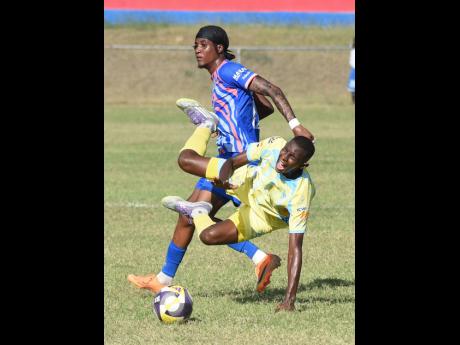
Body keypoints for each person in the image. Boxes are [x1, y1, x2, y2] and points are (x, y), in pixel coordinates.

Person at [128, 25, 315, 294]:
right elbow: (264, 108)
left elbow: (272, 90)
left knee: (187, 161)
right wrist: (229, 124)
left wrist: (295, 125)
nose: (197, 50)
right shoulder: (219, 77)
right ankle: (164, 280)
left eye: (203, 45)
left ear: (218, 48)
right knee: (189, 215)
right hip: (229, 158)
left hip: (244, 167)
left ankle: (204, 124)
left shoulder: (228, 70)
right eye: (195, 45)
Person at [162, 111, 316, 312]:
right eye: (286, 151)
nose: (284, 157)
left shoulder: (301, 192)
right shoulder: (274, 145)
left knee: (207, 236)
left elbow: (295, 248)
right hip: (244, 182)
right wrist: (224, 179)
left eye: (292, 157)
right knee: (186, 160)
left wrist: (290, 300)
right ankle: (207, 123)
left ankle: (198, 211)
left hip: (263, 216)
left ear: (303, 165)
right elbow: (234, 162)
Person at [347, 36, 355, 104]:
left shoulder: (352, 49)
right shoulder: (352, 49)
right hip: (354, 70)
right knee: (352, 88)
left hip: (353, 70)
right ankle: (353, 101)